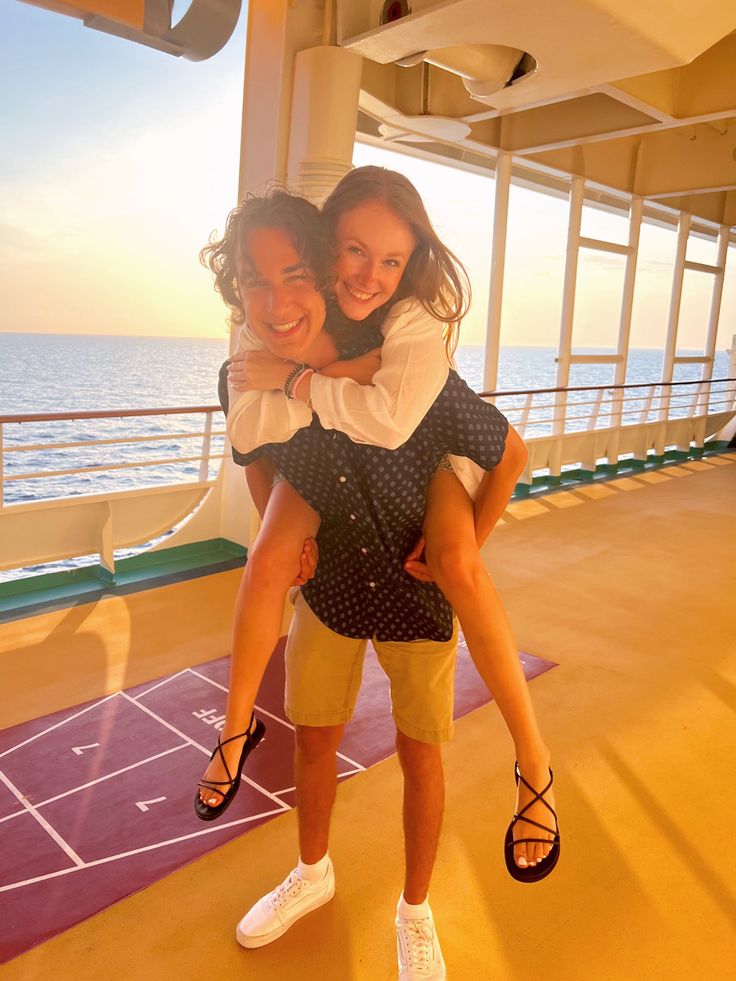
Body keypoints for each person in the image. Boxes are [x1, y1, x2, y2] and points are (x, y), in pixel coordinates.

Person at [200, 180, 558, 978]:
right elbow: (253, 449)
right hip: (332, 572)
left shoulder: (412, 356)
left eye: (390, 258)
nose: (365, 273)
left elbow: (507, 452)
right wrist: (279, 535)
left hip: (410, 575)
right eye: (352, 252)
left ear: (412, 264)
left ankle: (417, 907)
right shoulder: (280, 338)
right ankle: (312, 870)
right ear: (325, 255)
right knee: (315, 737)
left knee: (421, 750)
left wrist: (467, 546)